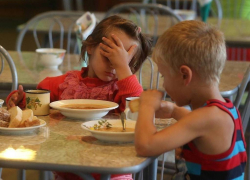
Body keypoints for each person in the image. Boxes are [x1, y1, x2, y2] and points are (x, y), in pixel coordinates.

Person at [6, 15, 152, 180]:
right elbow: (37, 110)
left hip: (113, 172)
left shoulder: (122, 90)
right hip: (68, 170)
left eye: (125, 61)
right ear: (90, 46)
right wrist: (20, 102)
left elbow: (140, 112)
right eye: (109, 57)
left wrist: (123, 69)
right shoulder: (65, 84)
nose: (114, 66)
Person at [135, 20, 247, 180]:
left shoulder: (206, 118)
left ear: (184, 75)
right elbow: (199, 124)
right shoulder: (226, 111)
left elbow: (145, 146)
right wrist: (173, 110)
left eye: (164, 76)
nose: (164, 84)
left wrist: (147, 106)